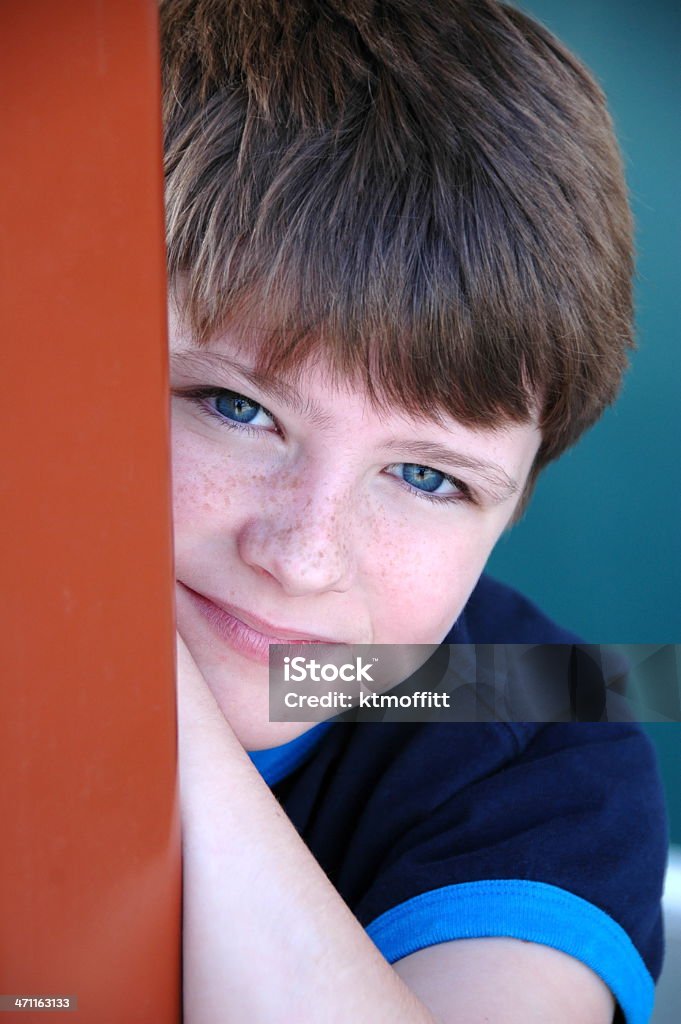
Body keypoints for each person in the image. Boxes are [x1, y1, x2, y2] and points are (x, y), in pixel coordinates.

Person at [162, 1, 667, 1021]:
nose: (302, 555)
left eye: (430, 478)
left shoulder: (548, 739)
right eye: (236, 407)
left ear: (515, 504)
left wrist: (145, 697)